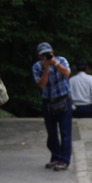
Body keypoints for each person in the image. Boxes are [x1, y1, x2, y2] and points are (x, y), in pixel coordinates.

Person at [32, 42, 73, 171]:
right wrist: (46, 69)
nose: (46, 57)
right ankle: (55, 156)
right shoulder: (37, 67)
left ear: (53, 52)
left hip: (63, 100)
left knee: (65, 132)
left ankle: (64, 160)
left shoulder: (61, 61)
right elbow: (41, 85)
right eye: (43, 55)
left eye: (48, 54)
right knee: (52, 133)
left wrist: (54, 63)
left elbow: (67, 73)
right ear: (39, 56)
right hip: (48, 102)